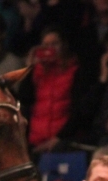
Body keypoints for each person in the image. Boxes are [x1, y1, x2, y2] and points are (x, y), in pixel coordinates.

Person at [18, 25, 82, 153]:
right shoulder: (36, 71)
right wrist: (29, 69)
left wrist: (61, 137)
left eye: (54, 44)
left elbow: (78, 109)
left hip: (62, 141)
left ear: (64, 46)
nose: (50, 49)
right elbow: (23, 98)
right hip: (35, 140)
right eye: (46, 45)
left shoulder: (75, 72)